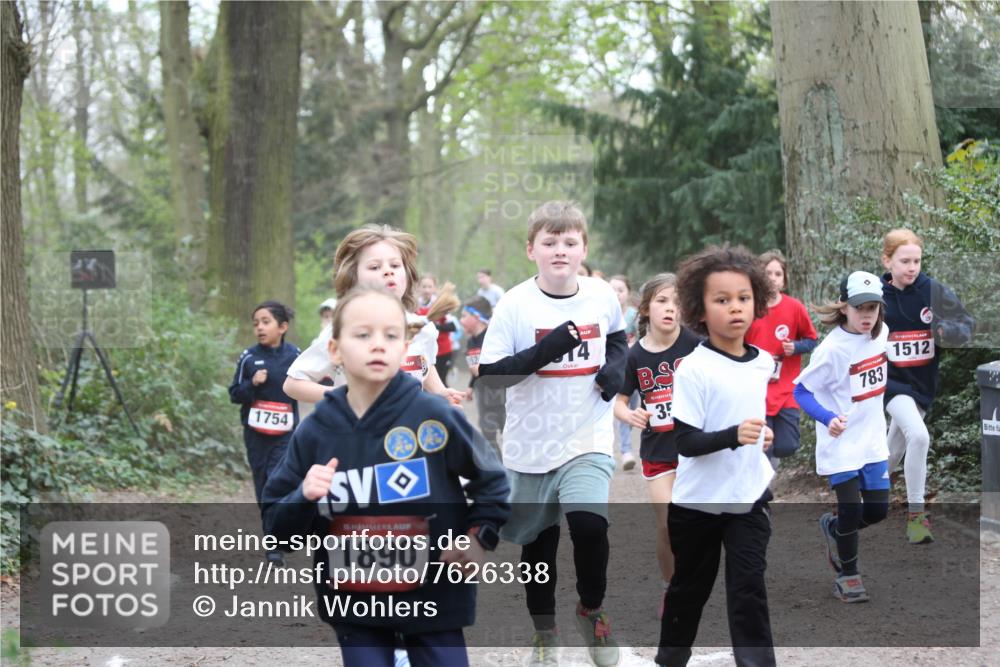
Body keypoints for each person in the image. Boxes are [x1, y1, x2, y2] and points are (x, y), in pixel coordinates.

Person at [262, 287, 510, 667]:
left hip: (433, 600)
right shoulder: (315, 433)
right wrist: (303, 496)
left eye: (391, 335)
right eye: (363, 335)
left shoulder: (434, 415)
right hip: (355, 604)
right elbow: (278, 529)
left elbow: (491, 480)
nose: (378, 345)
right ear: (334, 350)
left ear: (405, 348)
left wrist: (478, 539)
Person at [478, 201, 627, 667]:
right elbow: (492, 376)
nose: (560, 250)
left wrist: (615, 371)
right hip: (530, 445)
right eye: (549, 242)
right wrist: (551, 347)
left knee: (588, 525)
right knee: (538, 545)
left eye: (569, 242)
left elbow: (619, 339)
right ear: (531, 250)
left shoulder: (602, 296)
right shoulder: (514, 303)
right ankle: (545, 634)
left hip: (587, 438)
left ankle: (593, 613)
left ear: (584, 248)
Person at [655, 244, 776, 667]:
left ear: (757, 301)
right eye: (722, 300)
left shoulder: (763, 362)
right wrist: (734, 435)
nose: (735, 308)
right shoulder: (693, 368)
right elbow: (685, 442)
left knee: (748, 589)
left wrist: (761, 437)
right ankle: (669, 660)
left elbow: (750, 419)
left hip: (747, 498)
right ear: (700, 309)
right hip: (698, 504)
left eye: (743, 298)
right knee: (689, 590)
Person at [282, 225, 464, 406]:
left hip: (406, 433)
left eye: (395, 265)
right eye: (375, 267)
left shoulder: (422, 327)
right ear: (352, 278)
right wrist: (345, 396)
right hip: (357, 431)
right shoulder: (344, 329)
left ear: (407, 274)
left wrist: (440, 391)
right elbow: (293, 384)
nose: (388, 271)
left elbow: (422, 364)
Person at [793, 270, 891, 603]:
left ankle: (834, 530)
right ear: (844, 306)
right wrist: (828, 418)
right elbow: (802, 391)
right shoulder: (832, 349)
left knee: (878, 510)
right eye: (860, 308)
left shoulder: (882, 334)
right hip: (842, 442)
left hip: (874, 439)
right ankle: (848, 576)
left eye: (873, 308)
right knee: (850, 507)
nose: (867, 315)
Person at [613, 273, 700, 619]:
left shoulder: (695, 345)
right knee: (667, 524)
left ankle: (693, 580)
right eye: (663, 301)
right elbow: (618, 401)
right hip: (658, 452)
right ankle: (671, 587)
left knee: (696, 525)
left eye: (677, 303)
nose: (671, 309)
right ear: (647, 308)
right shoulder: (635, 355)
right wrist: (629, 414)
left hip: (696, 449)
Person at [880, 229, 974, 544]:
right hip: (890, 383)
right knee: (919, 436)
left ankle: (856, 503)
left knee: (891, 453)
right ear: (887, 260)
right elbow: (853, 325)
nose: (911, 267)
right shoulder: (877, 294)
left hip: (922, 384)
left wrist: (949, 332)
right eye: (904, 261)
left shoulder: (932, 290)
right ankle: (916, 518)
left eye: (916, 261)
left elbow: (966, 323)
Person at [228, 300, 300, 565]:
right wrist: (251, 383)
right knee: (263, 484)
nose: (259, 327)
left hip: (284, 433)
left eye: (266, 322)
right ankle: (272, 537)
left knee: (277, 481)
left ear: (282, 327)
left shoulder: (295, 356)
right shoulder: (249, 357)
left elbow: (311, 383)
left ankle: (277, 541)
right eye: (256, 323)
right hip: (256, 434)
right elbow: (235, 394)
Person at [745, 250, 818, 468]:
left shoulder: (794, 307)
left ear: (784, 279)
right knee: (761, 444)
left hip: (786, 388)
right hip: (757, 388)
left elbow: (812, 340)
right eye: (768, 273)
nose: (773, 278)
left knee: (788, 446)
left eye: (778, 274)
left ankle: (771, 462)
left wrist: (796, 347)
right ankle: (762, 487)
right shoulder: (751, 308)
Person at [459, 296, 505, 454]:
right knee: (487, 435)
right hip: (483, 395)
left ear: (477, 317)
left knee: (510, 432)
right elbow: (475, 369)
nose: (461, 320)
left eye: (464, 316)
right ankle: (500, 472)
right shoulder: (471, 341)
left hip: (501, 396)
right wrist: (471, 385)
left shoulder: (493, 337)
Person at [609, 274, 640, 470]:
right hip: (612, 370)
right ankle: (625, 451)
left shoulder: (633, 316)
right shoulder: (604, 314)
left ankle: (624, 444)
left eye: (620, 290)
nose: (616, 294)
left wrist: (631, 346)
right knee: (621, 407)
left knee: (630, 411)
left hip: (632, 370)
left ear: (627, 293)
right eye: (612, 290)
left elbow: (642, 337)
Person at [417, 274, 459, 388]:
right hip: (422, 351)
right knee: (424, 384)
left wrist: (433, 325)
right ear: (418, 288)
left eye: (429, 287)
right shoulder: (415, 304)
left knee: (440, 383)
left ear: (435, 288)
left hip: (442, 351)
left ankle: (448, 404)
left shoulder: (440, 304)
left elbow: (453, 326)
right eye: (424, 287)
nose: (426, 290)